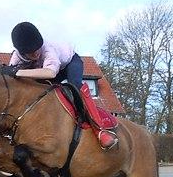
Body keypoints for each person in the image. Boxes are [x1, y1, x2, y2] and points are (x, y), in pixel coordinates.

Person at [9, 21, 118, 149]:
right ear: (22, 53)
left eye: (37, 48)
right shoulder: (16, 58)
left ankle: (100, 130)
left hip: (70, 62)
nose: (36, 53)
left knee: (74, 88)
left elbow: (50, 73)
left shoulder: (48, 48)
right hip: (48, 70)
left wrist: (18, 72)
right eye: (31, 52)